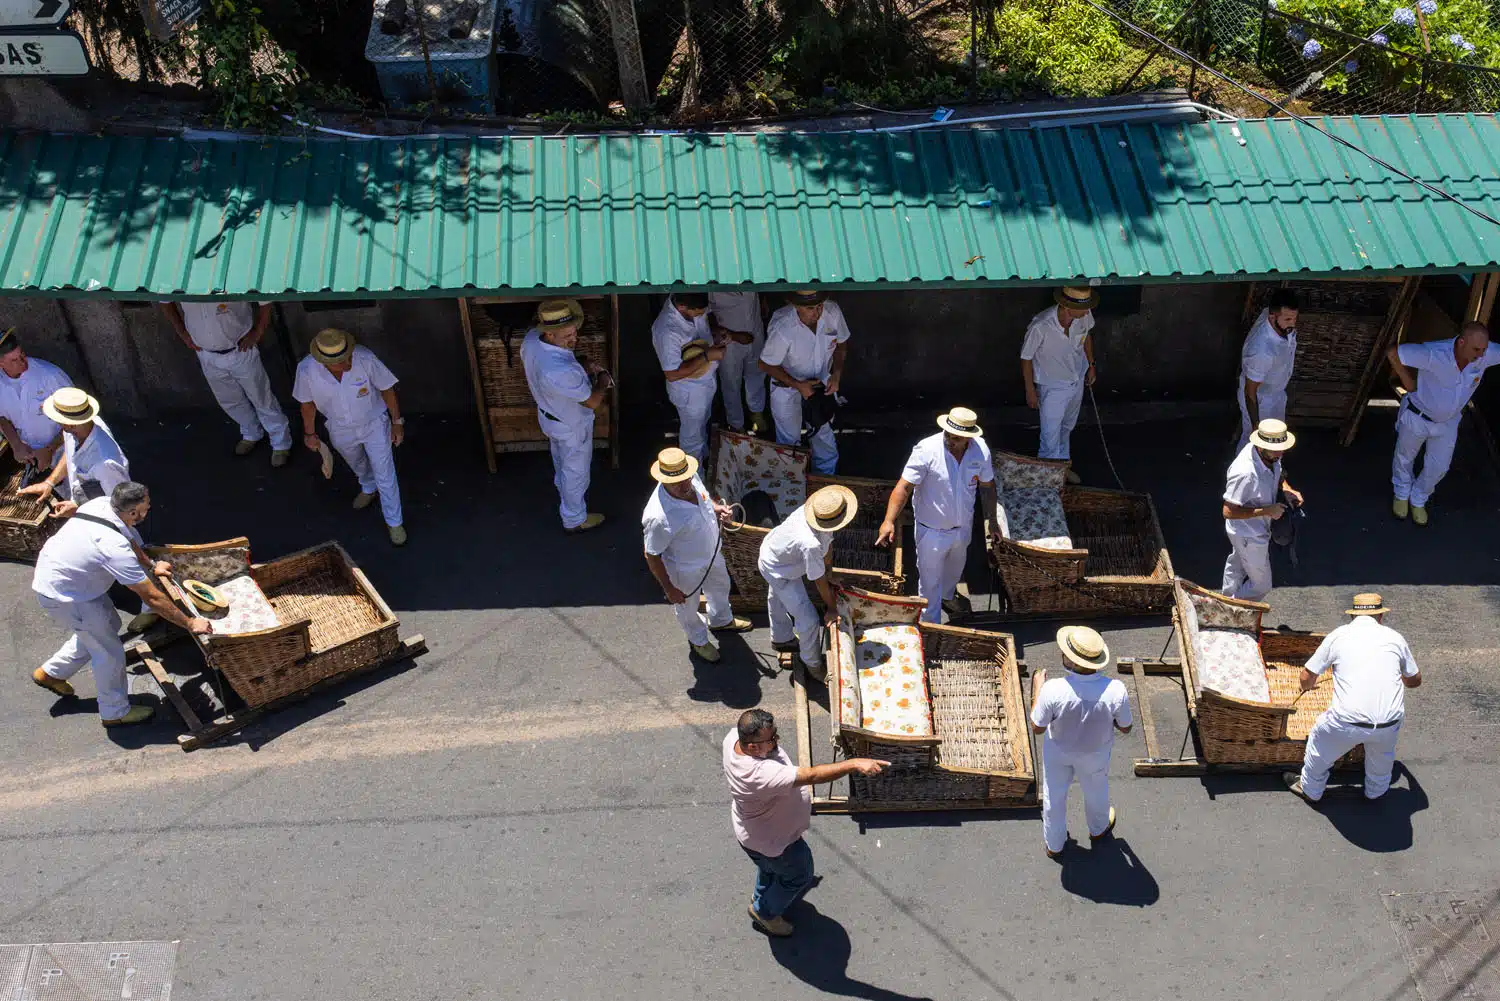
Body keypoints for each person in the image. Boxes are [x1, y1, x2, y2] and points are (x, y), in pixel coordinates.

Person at [30, 481, 211, 728]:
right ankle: (114, 712)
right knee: (109, 652)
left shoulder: (102, 504)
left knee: (107, 624)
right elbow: (152, 598)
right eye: (146, 507)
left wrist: (151, 564)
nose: (149, 510)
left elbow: (126, 535)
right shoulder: (113, 549)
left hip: (65, 581)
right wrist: (190, 623)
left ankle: (51, 672)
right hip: (66, 596)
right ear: (134, 512)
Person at [724, 708, 889, 937]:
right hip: (775, 842)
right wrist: (853, 764)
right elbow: (812, 776)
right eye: (771, 739)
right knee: (798, 875)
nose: (776, 741)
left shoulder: (733, 739)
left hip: (755, 836)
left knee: (770, 869)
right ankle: (765, 913)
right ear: (752, 747)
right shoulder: (758, 773)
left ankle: (762, 897)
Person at [1285, 593, 1420, 803]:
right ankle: (1375, 793)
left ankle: (1311, 789)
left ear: (1353, 616)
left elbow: (1306, 676)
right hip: (1389, 721)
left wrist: (1307, 687)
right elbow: (1414, 681)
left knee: (1319, 747)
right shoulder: (1395, 638)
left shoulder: (1339, 636)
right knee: (1382, 758)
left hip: (1347, 722)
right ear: (1380, 617)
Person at [876, 407, 999, 623]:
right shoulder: (926, 450)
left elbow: (987, 486)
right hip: (931, 532)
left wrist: (993, 520)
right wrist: (888, 521)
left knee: (953, 573)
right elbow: (904, 487)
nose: (951, 440)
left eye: (957, 438)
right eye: (948, 434)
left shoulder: (981, 451)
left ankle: (948, 596)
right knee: (929, 585)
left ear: (968, 438)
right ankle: (930, 629)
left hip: (962, 529)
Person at [293, 329, 407, 546]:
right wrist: (310, 434)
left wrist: (396, 422)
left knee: (385, 471)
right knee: (356, 462)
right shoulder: (306, 370)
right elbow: (306, 404)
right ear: (324, 362)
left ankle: (394, 522)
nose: (348, 362)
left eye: (348, 356)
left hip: (374, 423)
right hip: (339, 428)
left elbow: (387, 389)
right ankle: (367, 486)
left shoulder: (365, 358)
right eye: (341, 361)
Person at [1029, 625, 1132, 860]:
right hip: (1095, 753)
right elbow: (1126, 727)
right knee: (1096, 790)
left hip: (1058, 751)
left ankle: (1054, 845)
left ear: (1072, 661)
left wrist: (1038, 689)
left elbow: (1037, 727)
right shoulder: (1116, 689)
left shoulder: (1052, 689)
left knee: (1054, 796)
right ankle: (1098, 829)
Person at [642, 447, 751, 661]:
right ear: (664, 480)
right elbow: (651, 555)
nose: (685, 485)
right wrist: (670, 589)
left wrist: (716, 508)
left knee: (721, 587)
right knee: (687, 607)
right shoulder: (658, 518)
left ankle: (721, 619)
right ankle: (698, 639)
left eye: (687, 478)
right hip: (685, 569)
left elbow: (703, 496)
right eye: (678, 483)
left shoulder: (689, 478)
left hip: (712, 552)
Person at [1386, 321, 1500, 525]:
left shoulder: (1486, 353)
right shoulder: (1433, 353)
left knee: (1439, 466)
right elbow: (1393, 353)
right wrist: (1408, 381)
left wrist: (1483, 352)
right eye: (1476, 349)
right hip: (1417, 416)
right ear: (1461, 342)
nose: (1481, 355)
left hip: (1448, 422)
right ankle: (1401, 493)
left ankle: (1419, 498)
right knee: (1405, 457)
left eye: (1484, 349)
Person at [159, 301, 293, 465]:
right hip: (205, 353)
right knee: (229, 400)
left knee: (261, 397)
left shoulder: (233, 275)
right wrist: (182, 333)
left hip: (241, 350)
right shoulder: (180, 278)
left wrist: (258, 331)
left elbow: (266, 299)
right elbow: (165, 301)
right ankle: (251, 433)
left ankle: (280, 443)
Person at [520, 299, 612, 533]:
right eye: (567, 335)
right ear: (550, 335)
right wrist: (602, 380)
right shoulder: (561, 371)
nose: (575, 339)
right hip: (572, 425)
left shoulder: (532, 340)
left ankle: (564, 494)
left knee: (561, 462)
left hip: (550, 416)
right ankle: (574, 519)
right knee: (577, 472)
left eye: (574, 332)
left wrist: (582, 362)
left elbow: (564, 361)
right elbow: (592, 402)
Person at [757, 485, 858, 681]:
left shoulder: (814, 512)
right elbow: (818, 581)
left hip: (776, 552)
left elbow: (828, 545)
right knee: (810, 620)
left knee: (776, 598)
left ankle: (780, 639)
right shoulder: (809, 544)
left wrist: (829, 572)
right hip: (779, 569)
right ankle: (812, 664)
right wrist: (831, 609)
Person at [759, 290, 851, 474]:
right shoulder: (783, 326)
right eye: (810, 308)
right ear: (796, 306)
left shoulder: (832, 312)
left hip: (822, 384)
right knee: (788, 440)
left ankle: (826, 481)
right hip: (787, 387)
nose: (817, 312)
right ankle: (791, 482)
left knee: (823, 433)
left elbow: (841, 345)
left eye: (819, 306)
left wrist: (837, 374)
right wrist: (798, 385)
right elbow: (765, 364)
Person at [1021, 286, 1098, 482]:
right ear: (1066, 306)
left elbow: (1087, 336)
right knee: (1050, 435)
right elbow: (1026, 358)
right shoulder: (1040, 325)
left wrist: (1091, 364)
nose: (1087, 311)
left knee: (1066, 427)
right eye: (1083, 308)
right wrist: (1030, 390)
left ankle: (1062, 468)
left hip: (1076, 379)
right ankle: (1047, 479)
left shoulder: (1083, 317)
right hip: (1052, 385)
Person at [1221, 418, 1302, 601]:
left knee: (1238, 564)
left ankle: (1226, 599)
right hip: (1249, 533)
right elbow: (1228, 511)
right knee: (1261, 586)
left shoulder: (1270, 455)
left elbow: (1279, 472)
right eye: (1276, 450)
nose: (1281, 453)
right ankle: (1231, 609)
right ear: (1260, 447)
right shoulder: (1245, 473)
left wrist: (1287, 489)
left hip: (1249, 532)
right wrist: (1267, 511)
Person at [18, 388, 130, 518]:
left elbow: (121, 508)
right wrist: (49, 483)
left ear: (69, 424)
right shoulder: (76, 429)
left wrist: (78, 509)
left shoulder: (105, 463)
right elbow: (70, 452)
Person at [651, 292, 723, 465]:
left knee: (701, 425)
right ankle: (694, 480)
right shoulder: (666, 331)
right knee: (692, 438)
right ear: (682, 307)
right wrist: (707, 356)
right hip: (689, 391)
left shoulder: (693, 298)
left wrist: (716, 331)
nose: (701, 314)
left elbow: (709, 315)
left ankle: (703, 458)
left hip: (705, 383)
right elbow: (672, 374)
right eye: (697, 313)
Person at [0, 327, 70, 471]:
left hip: (64, 451)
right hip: (30, 455)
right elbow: (2, 418)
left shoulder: (50, 376)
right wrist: (16, 445)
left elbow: (78, 419)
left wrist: (49, 450)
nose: (23, 362)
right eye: (14, 360)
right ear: (1, 364)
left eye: (22, 355)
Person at [1237, 289, 1299, 451]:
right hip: (1261, 400)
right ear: (1271, 317)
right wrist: (1256, 425)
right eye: (1288, 319)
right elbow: (1250, 392)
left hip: (1276, 394)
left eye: (1294, 318)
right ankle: (1243, 475)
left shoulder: (1278, 322)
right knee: (1253, 443)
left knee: (1275, 443)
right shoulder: (1262, 351)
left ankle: (1270, 474)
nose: (1292, 323)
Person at [708, 291, 767, 435]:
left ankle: (757, 413)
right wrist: (722, 333)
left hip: (755, 333)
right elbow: (705, 314)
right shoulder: (712, 282)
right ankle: (736, 424)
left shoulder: (748, 272)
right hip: (728, 341)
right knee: (730, 383)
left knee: (757, 374)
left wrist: (763, 300)